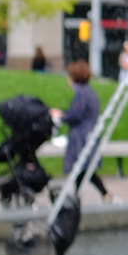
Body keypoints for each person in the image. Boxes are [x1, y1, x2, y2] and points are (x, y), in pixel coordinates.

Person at [51, 61, 112, 201]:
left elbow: (76, 114)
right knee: (82, 169)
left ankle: (95, 194)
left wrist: (61, 115)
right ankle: (80, 196)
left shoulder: (82, 93)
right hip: (89, 134)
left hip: (82, 136)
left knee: (80, 167)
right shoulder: (89, 92)